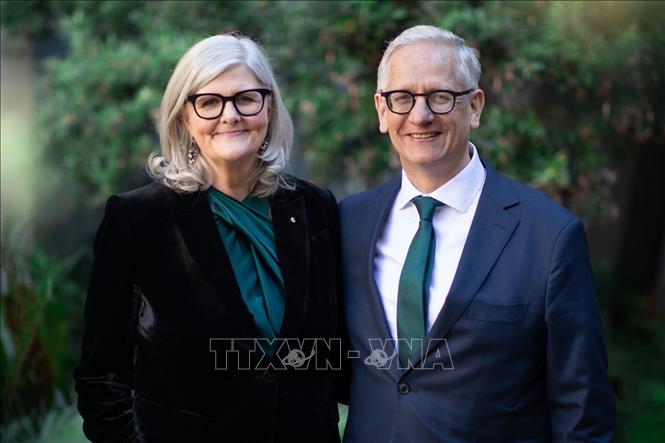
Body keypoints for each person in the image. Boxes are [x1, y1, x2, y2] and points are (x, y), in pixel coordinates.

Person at [340, 25, 616, 442]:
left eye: (440, 96)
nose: (420, 115)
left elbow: (582, 411)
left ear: (474, 106)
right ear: (382, 110)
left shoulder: (549, 237)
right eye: (402, 98)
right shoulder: (349, 221)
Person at [74, 33, 343, 443]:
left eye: (246, 98)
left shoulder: (314, 208)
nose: (230, 115)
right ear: (185, 117)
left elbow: (334, 353)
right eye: (210, 101)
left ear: (269, 107)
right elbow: (101, 376)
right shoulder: (138, 219)